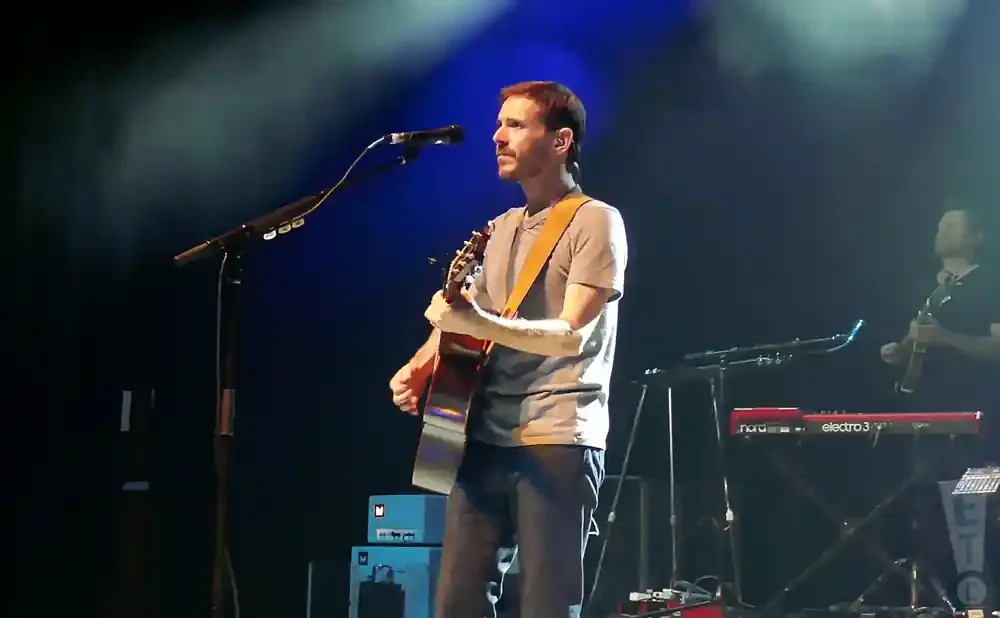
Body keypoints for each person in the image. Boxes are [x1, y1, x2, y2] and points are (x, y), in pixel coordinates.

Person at [388, 81, 627, 618]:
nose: (497, 136)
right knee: (455, 605)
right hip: (478, 436)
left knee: (546, 604)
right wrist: (421, 362)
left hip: (556, 435)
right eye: (499, 125)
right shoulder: (496, 230)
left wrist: (475, 320)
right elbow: (465, 319)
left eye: (516, 125)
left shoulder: (594, 219)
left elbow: (571, 336)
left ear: (561, 141)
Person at [879, 205, 1000, 414]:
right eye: (940, 226)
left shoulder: (992, 283)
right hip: (917, 412)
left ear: (976, 237)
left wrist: (945, 337)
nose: (942, 231)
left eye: (952, 226)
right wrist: (898, 351)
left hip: (974, 411)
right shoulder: (918, 287)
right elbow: (912, 347)